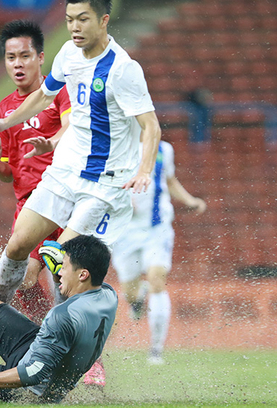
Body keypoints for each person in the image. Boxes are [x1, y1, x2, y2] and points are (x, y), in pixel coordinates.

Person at [0, 0, 160, 386]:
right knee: (17, 246)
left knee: (66, 263)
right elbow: (43, 94)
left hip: (104, 183)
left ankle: (89, 359)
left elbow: (150, 126)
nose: (74, 26)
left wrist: (143, 170)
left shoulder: (124, 70)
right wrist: (5, 121)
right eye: (70, 19)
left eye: (83, 19)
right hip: (64, 173)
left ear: (103, 20)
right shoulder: (69, 53)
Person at [0, 235, 118, 403]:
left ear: (83, 274)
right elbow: (78, 303)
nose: (59, 271)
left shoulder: (60, 317)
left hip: (30, 388)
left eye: (64, 268)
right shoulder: (108, 295)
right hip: (39, 350)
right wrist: (59, 274)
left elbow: (32, 373)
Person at [0, 20, 71, 324]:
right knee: (25, 278)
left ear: (41, 57)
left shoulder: (60, 93)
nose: (17, 64)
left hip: (65, 196)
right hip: (29, 203)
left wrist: (53, 143)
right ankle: (41, 330)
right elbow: (9, 171)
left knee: (68, 284)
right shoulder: (3, 110)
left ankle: (74, 345)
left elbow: (73, 129)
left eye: (24, 56)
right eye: (11, 57)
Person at [112, 140, 206, 364]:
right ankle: (138, 299)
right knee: (131, 293)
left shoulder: (164, 149)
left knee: (157, 279)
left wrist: (189, 200)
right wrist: (119, 198)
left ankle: (156, 349)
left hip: (157, 227)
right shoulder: (117, 143)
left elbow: (169, 180)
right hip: (125, 231)